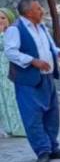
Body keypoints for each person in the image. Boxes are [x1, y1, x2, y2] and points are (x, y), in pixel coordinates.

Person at [2, 0, 60, 162]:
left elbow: (49, 47)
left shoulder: (41, 27)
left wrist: (59, 52)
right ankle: (42, 150)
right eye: (39, 8)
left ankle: (53, 147)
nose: (42, 11)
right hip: (28, 79)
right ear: (29, 12)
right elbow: (11, 52)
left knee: (52, 114)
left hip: (46, 76)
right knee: (32, 116)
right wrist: (33, 60)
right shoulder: (15, 29)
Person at [0, 8, 26, 138]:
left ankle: (20, 127)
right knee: (3, 99)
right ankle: (9, 127)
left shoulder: (14, 33)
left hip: (12, 68)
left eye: (3, 18)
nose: (0, 21)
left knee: (14, 97)